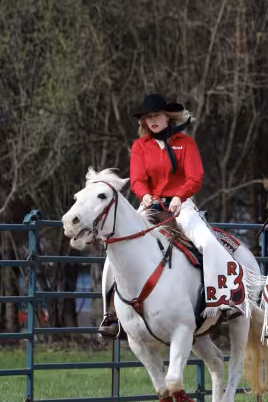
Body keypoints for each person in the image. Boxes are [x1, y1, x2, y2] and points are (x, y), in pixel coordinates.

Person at [97, 94, 244, 338]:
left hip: (182, 205)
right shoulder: (140, 146)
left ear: (167, 116)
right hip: (150, 206)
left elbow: (195, 177)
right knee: (113, 251)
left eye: (156, 115)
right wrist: (144, 196)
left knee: (207, 242)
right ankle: (111, 314)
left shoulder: (186, 143)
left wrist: (179, 196)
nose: (151, 121)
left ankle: (221, 299)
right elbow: (137, 179)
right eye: (147, 117)